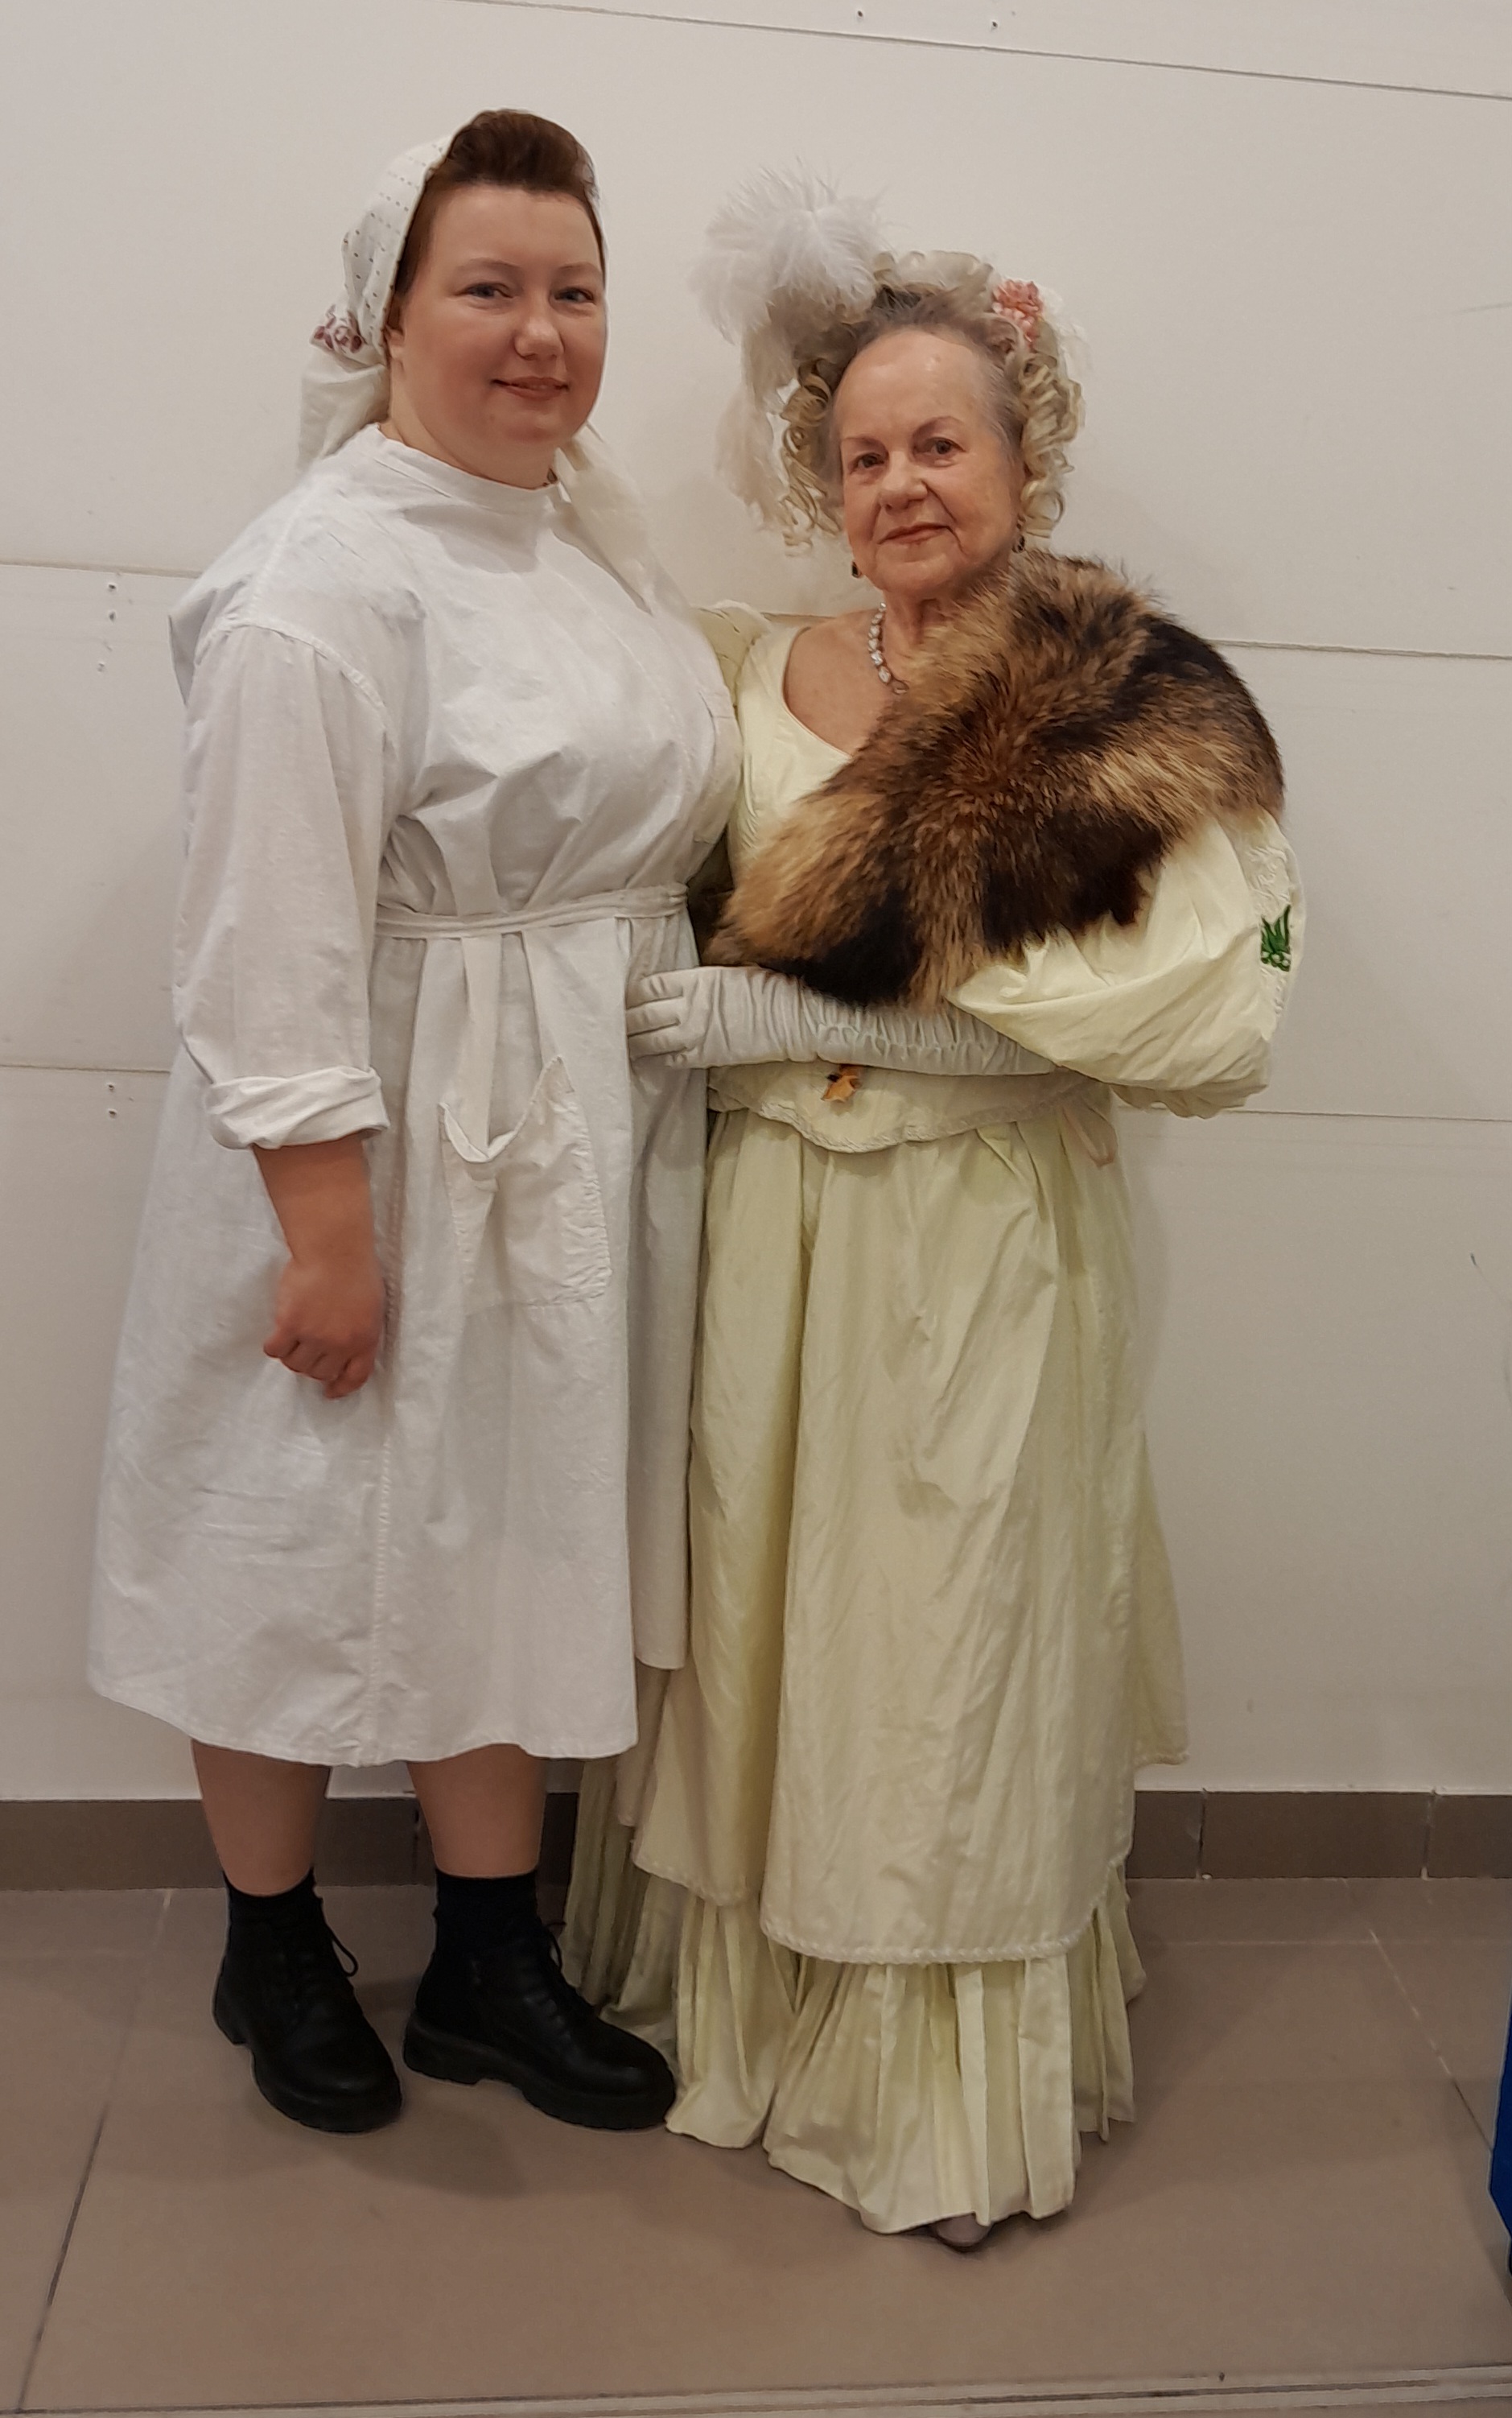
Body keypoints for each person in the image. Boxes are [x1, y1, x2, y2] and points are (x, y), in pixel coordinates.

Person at [565, 173, 1303, 2246]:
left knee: (951, 1646)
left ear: (1022, 450)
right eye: (864, 451)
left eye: (940, 442)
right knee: (772, 1631)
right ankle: (757, 2022)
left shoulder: (1118, 695)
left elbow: (1186, 1019)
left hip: (981, 1246)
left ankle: (938, 2101)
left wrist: (787, 1007)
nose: (900, 483)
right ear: (823, 475)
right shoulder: (738, 668)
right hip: (765, 1247)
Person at [89, 113, 743, 2137]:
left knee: (511, 1530)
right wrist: (324, 1229)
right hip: (370, 1142)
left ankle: (484, 1952)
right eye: (489, 288)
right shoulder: (319, 580)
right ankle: (270, 1935)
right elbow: (263, 934)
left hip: (559, 1131)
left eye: (574, 289)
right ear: (388, 317)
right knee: (290, 1530)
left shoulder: (582, 535)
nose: (541, 332)